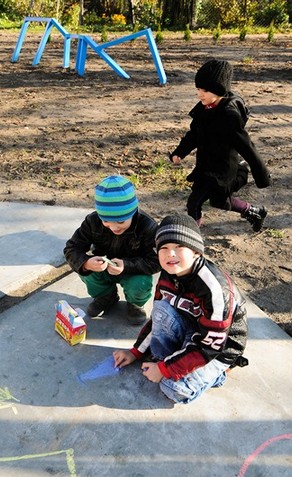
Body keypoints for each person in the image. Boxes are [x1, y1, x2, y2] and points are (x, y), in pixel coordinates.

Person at [113, 214, 248, 404]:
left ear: (196, 252)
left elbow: (209, 346)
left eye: (179, 247)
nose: (171, 254)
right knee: (160, 313)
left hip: (219, 347)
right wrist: (136, 352)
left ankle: (219, 373)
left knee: (172, 388)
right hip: (191, 328)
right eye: (164, 248)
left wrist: (164, 369)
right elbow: (157, 318)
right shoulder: (169, 273)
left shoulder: (215, 289)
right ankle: (173, 358)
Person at [169, 59, 272, 232]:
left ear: (219, 90)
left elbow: (246, 146)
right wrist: (180, 152)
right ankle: (255, 211)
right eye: (198, 89)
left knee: (194, 203)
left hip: (222, 170)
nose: (200, 94)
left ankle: (192, 239)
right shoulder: (204, 109)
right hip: (206, 166)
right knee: (219, 201)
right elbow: (193, 134)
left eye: (205, 90)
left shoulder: (228, 116)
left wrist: (261, 175)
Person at [63, 175, 160, 325]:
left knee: (140, 284)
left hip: (133, 271)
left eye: (121, 221)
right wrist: (86, 263)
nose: (114, 227)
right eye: (106, 221)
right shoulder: (92, 221)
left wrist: (127, 265)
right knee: (88, 274)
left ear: (133, 212)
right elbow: (72, 248)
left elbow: (156, 261)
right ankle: (106, 296)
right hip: (103, 269)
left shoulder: (147, 227)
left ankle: (135, 304)